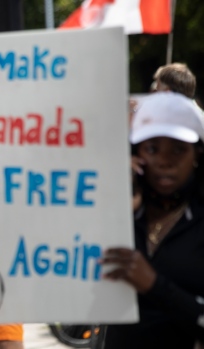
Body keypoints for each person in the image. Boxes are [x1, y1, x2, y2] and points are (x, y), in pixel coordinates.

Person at [102, 92, 204, 348]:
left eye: (178, 149)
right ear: (136, 154)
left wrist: (154, 285)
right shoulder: (120, 209)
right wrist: (123, 208)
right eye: (152, 148)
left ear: (197, 156)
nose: (165, 161)